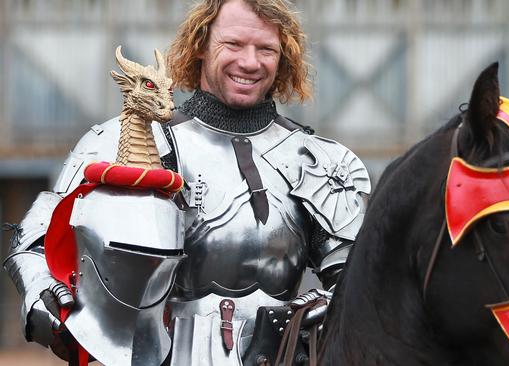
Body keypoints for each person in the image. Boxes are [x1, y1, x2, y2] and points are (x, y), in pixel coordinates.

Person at [3, 0, 371, 365]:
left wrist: (316, 312)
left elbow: (361, 277)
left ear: (284, 58)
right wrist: (41, 293)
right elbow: (36, 239)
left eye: (266, 49)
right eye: (234, 45)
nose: (250, 61)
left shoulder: (320, 159)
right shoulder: (130, 141)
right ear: (200, 46)